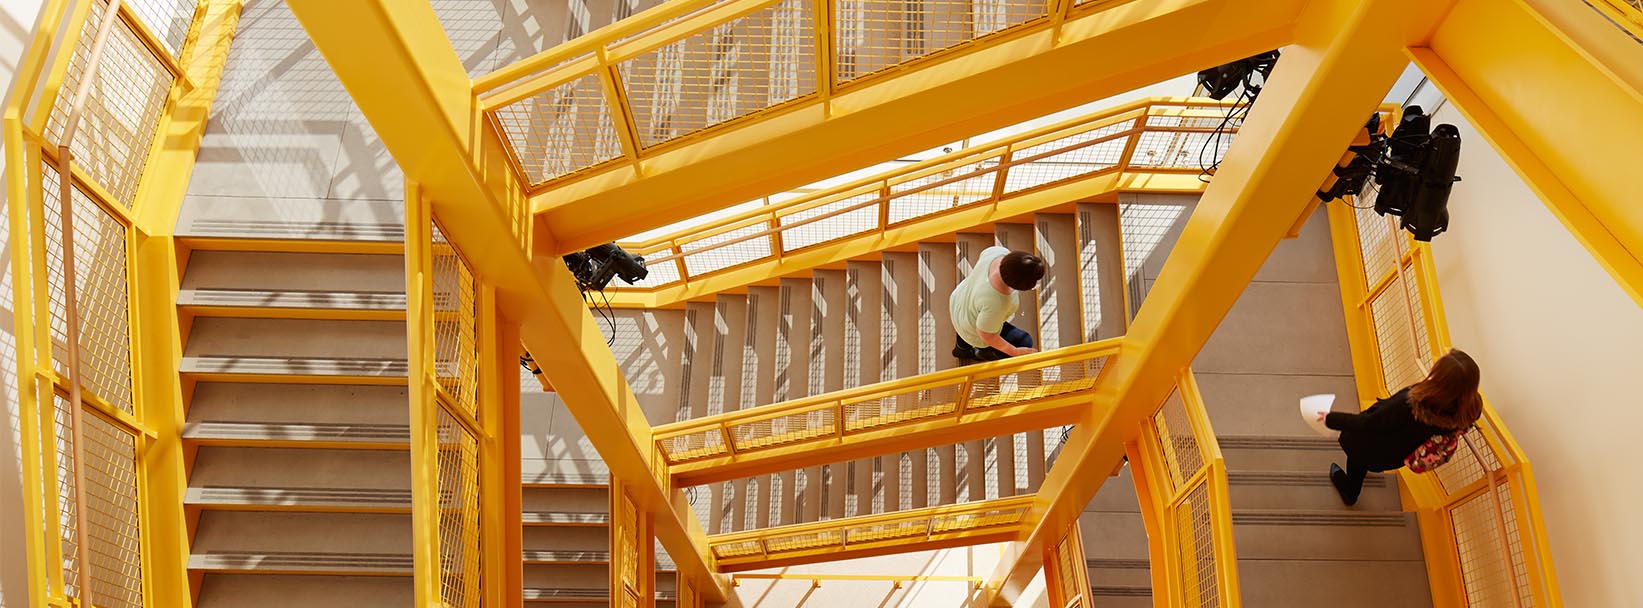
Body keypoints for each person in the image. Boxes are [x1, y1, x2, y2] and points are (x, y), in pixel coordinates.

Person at [1318, 349, 1484, 505]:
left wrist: (1330, 419)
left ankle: (1350, 492)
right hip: (1395, 455)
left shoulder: (1412, 405)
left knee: (1357, 460)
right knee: (1365, 461)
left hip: (1369, 446)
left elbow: (1367, 423)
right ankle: (1358, 479)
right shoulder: (1469, 410)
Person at [950, 246, 1045, 365]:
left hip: (960, 301)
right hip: (972, 326)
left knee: (967, 325)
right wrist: (1014, 351)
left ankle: (961, 349)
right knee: (1024, 341)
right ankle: (983, 352)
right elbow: (986, 334)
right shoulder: (997, 303)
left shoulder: (997, 252)